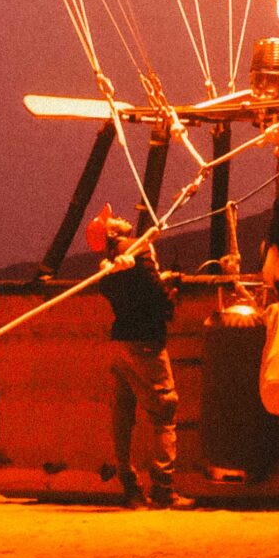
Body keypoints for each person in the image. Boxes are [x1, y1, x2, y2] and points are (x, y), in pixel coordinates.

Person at [88, 207, 180, 510]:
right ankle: (163, 490)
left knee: (123, 417)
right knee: (163, 412)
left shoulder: (109, 266)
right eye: (112, 220)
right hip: (145, 343)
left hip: (121, 344)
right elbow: (152, 293)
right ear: (112, 233)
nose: (119, 217)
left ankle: (129, 487)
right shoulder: (138, 250)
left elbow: (129, 288)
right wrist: (168, 294)